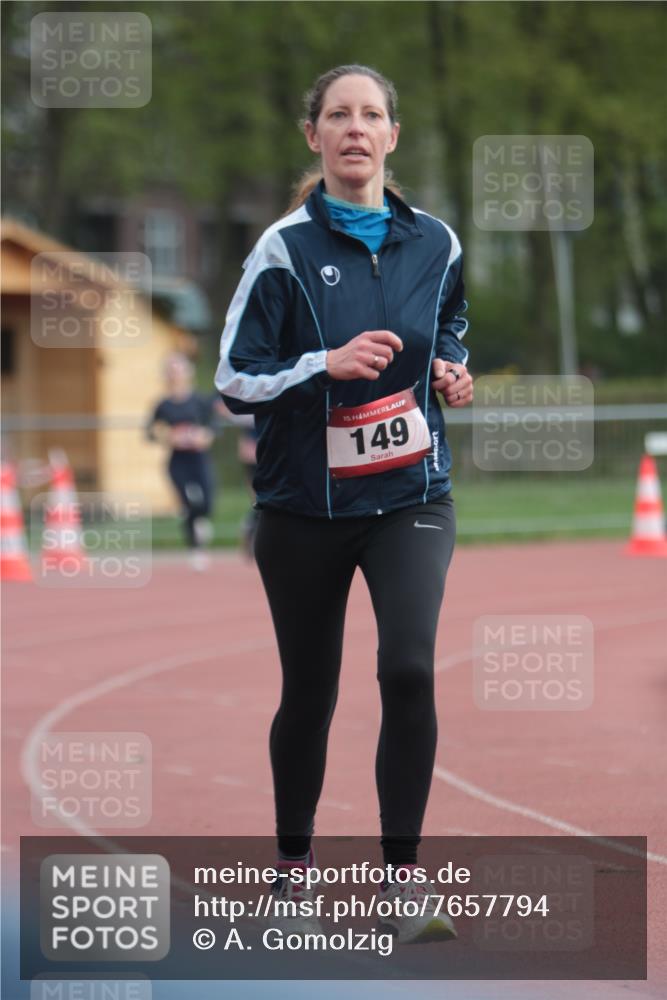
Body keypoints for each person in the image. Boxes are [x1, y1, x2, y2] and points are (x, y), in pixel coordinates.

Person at [215, 64, 473, 945]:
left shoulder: (436, 242)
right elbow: (232, 381)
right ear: (313, 137)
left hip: (410, 495)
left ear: (391, 136)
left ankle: (401, 882)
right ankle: (293, 870)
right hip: (302, 508)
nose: (354, 129)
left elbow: (451, 325)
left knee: (407, 667)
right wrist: (322, 365)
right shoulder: (283, 249)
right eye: (338, 115)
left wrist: (450, 370)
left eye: (370, 115)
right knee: (310, 693)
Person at [147, 352, 217, 571]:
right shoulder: (163, 405)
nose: (176, 374)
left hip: (199, 458)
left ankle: (201, 521)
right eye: (172, 370)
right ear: (166, 375)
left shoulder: (200, 400)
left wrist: (205, 435)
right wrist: (168, 436)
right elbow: (150, 432)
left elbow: (214, 425)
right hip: (177, 461)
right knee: (188, 505)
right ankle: (196, 550)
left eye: (179, 369)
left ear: (189, 372)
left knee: (206, 502)